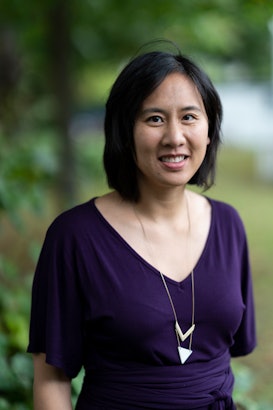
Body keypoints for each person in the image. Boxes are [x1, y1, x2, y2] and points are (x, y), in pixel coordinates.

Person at [27, 46, 256, 410]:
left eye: (190, 117)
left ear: (209, 130)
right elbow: (51, 380)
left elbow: (227, 352)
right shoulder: (74, 238)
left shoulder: (228, 225)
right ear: (124, 131)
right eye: (154, 119)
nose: (175, 137)